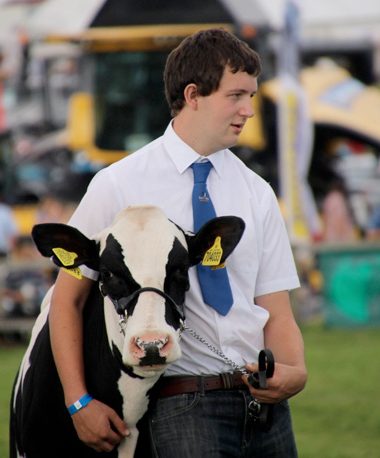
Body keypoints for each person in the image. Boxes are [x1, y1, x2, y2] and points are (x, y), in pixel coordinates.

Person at [48, 28, 307, 457]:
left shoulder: (257, 192)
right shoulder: (117, 185)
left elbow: (275, 310)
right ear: (193, 95)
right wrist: (77, 401)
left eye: (252, 97)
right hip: (183, 404)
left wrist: (295, 371)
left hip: (268, 410)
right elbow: (67, 299)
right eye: (237, 95)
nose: (249, 110)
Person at [0, 193, 19, 259]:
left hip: (3, 251)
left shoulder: (5, 211)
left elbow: (13, 233)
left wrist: (11, 250)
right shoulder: (6, 210)